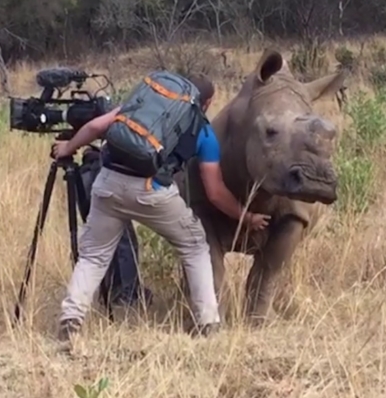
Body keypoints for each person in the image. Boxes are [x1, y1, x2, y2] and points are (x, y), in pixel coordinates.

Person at [52, 73, 271, 342]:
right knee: (194, 247)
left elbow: (96, 127)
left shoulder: (143, 108)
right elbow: (215, 193)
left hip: (107, 182)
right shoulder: (202, 130)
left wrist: (67, 147)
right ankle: (208, 323)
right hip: (152, 192)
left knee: (94, 256)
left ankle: (71, 318)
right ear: (208, 101)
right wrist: (246, 216)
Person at [78, 147, 152, 307]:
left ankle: (112, 291)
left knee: (100, 237)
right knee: (123, 238)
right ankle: (127, 293)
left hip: (90, 167)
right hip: (104, 168)